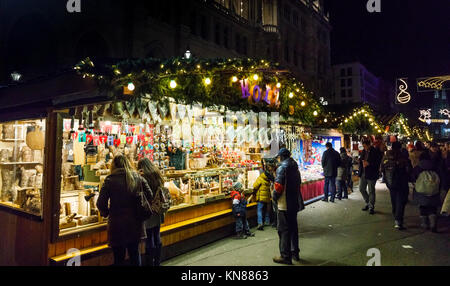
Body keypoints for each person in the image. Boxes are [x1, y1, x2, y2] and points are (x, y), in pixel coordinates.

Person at [97, 155, 153, 266]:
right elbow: (150, 195)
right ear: (128, 164)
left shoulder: (109, 180)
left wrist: (106, 213)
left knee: (118, 258)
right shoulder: (138, 178)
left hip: (116, 224)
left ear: (113, 165)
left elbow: (100, 203)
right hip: (135, 223)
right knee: (135, 254)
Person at [272, 148, 304, 265]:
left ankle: (285, 256)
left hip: (284, 204)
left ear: (281, 157)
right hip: (293, 203)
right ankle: (295, 252)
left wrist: (274, 196)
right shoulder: (294, 166)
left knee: (284, 230)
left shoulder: (282, 168)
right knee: (293, 229)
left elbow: (279, 187)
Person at [138, 158, 165, 266]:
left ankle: (149, 263)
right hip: (158, 209)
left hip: (148, 209)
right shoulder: (157, 174)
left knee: (149, 237)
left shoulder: (142, 177)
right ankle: (157, 262)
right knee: (157, 234)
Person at [381, 142, 411, 230]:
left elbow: (382, 168)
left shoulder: (386, 156)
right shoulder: (403, 156)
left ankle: (395, 215)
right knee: (401, 201)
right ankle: (398, 220)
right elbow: (408, 169)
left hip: (390, 182)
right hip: (402, 182)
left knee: (394, 199)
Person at [411, 152, 441, 233]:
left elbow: (413, 177)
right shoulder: (435, 166)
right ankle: (433, 224)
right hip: (434, 191)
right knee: (433, 208)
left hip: (422, 191)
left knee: (423, 207)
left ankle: (424, 224)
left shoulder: (418, 168)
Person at [359, 139, 382, 215]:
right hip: (363, 173)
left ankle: (371, 206)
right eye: (363, 146)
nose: (364, 147)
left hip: (371, 174)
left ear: (369, 145)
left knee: (371, 190)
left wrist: (369, 163)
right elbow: (361, 160)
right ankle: (368, 203)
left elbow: (378, 162)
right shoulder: (363, 151)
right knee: (361, 189)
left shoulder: (375, 151)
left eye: (365, 146)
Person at [253, 160, 275, 230]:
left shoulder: (260, 178)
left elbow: (255, 186)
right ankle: (267, 221)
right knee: (266, 210)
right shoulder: (268, 179)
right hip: (267, 197)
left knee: (259, 210)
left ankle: (260, 223)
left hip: (261, 197)